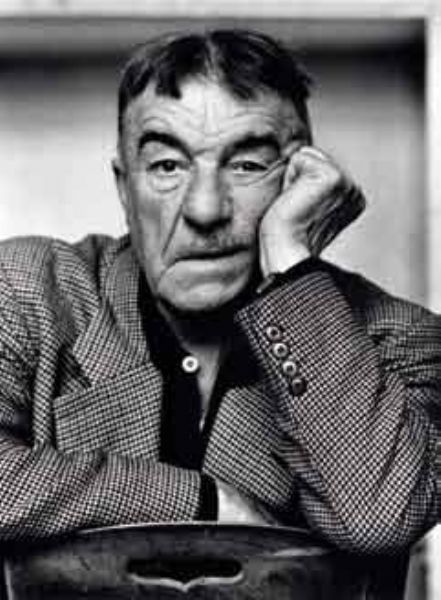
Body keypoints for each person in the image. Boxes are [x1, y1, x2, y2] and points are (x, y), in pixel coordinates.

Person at [0, 28, 439, 557]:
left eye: (247, 165)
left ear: (301, 182)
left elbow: (379, 518)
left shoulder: (402, 340)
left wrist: (290, 262)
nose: (205, 209)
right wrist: (199, 502)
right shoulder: (26, 291)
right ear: (124, 186)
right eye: (167, 166)